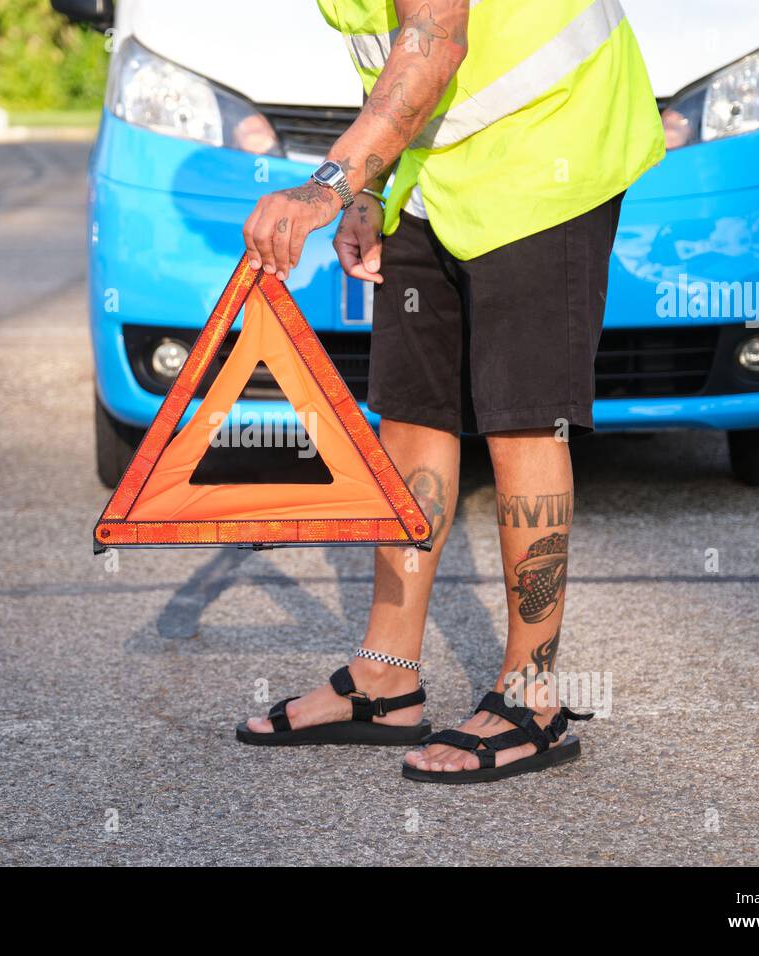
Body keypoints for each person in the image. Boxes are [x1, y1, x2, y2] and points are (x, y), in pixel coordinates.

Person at [235, 0, 664, 783]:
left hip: (550, 151)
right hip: (437, 173)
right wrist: (371, 190)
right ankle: (385, 677)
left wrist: (327, 185)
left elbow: (434, 44)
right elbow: (391, 57)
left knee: (524, 422)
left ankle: (532, 699)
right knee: (410, 411)